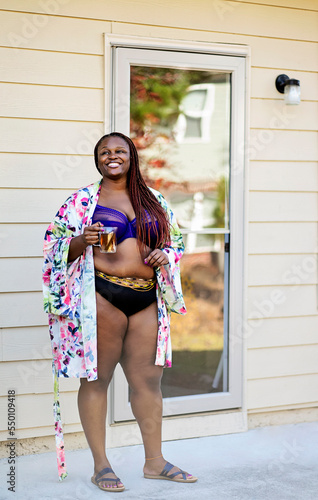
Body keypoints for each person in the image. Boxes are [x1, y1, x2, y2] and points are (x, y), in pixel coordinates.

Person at [42, 132, 197, 492]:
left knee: (147, 382)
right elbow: (53, 250)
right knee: (97, 380)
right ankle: (101, 466)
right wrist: (83, 240)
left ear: (132, 157)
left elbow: (176, 244)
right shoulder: (81, 202)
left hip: (146, 300)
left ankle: (155, 462)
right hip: (102, 297)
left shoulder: (154, 200)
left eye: (119, 151)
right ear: (97, 159)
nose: (112, 156)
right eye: (104, 152)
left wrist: (164, 256)